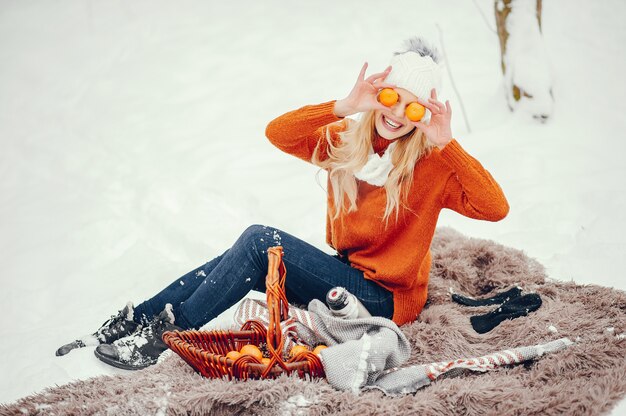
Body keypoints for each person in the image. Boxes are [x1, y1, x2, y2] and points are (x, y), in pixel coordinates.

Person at [55, 37, 509, 370]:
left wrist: (447, 144)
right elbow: (278, 132)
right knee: (243, 257)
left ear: (424, 116)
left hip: (386, 298)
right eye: (391, 97)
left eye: (412, 108)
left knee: (259, 241)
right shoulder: (347, 143)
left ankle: (166, 338)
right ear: (379, 95)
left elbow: (495, 208)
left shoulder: (433, 165)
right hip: (347, 274)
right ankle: (141, 318)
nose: (395, 113)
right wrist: (344, 105)